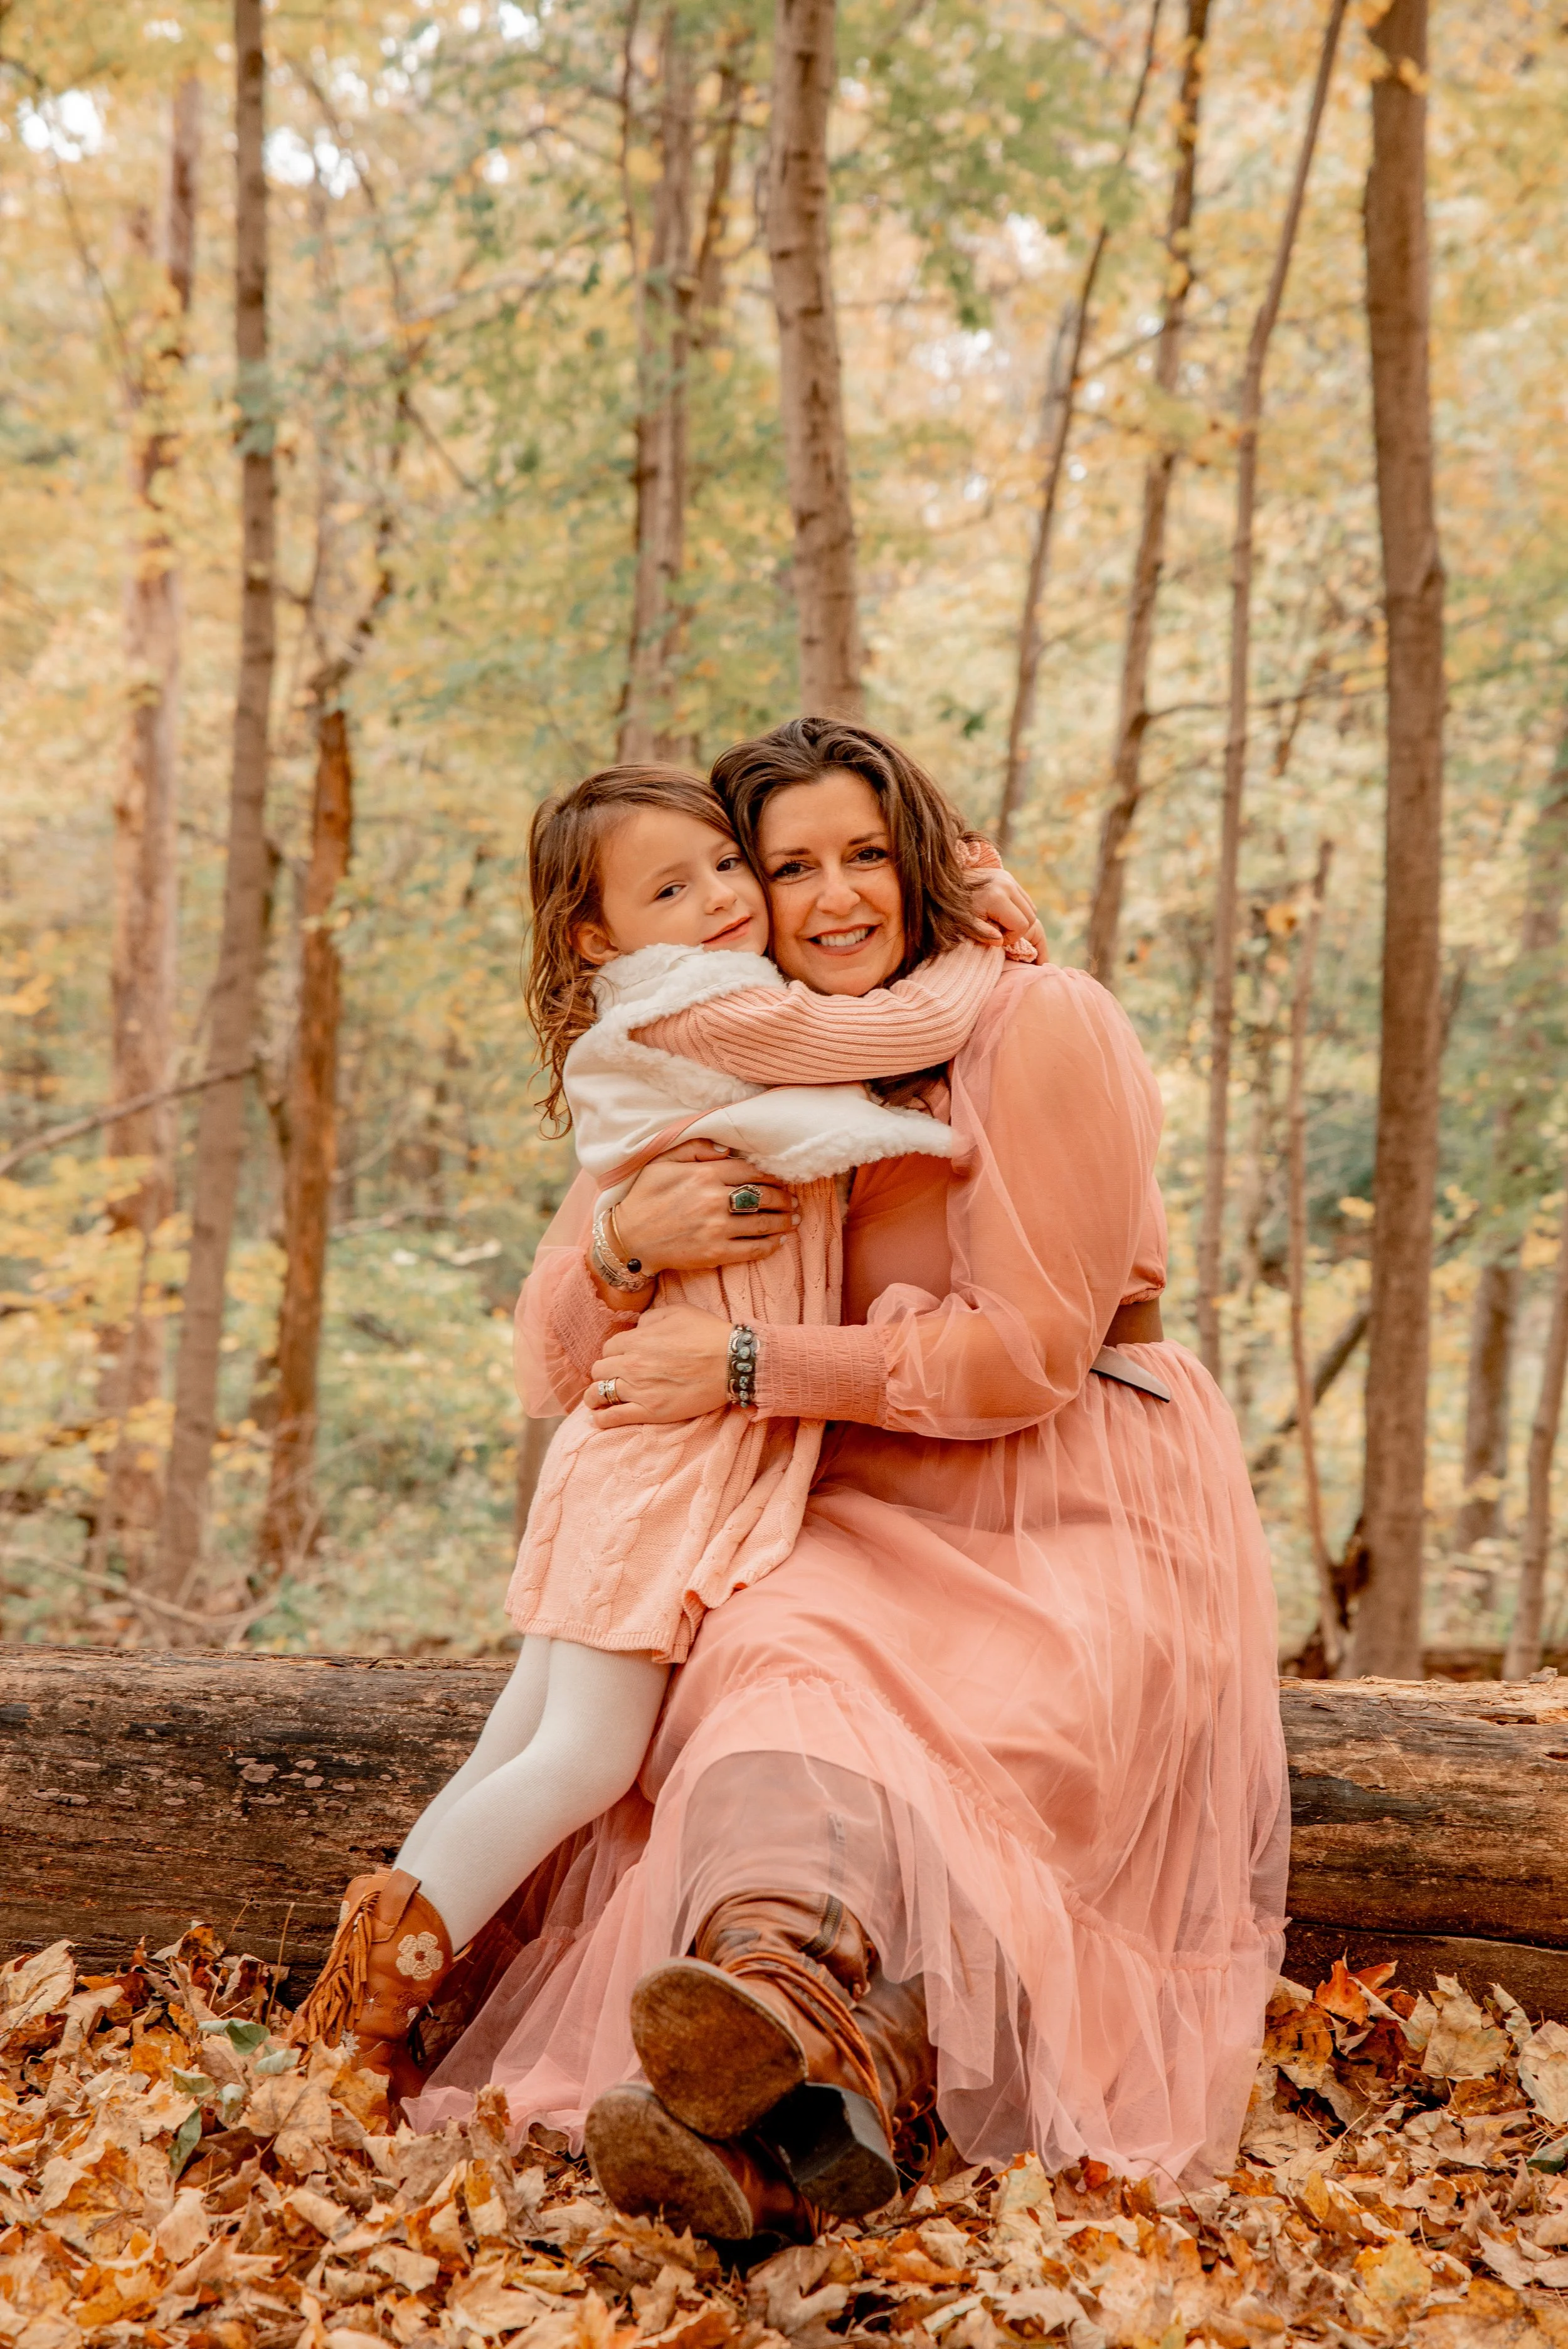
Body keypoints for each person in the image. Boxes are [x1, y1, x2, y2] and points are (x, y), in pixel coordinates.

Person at [410, 717, 1289, 2238]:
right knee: (763, 1664)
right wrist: (632, 1248)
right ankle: (773, 2053)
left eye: (866, 855)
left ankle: (785, 2093)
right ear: (735, 896)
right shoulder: (718, 1045)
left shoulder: (1034, 1021)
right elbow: (553, 1364)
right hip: (838, 1496)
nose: (830, 898)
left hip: (1060, 1494)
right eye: (788, 865)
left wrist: (751, 1371)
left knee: (946, 1723)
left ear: (921, 862)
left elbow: (1024, 1353)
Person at [289, 760, 1034, 2102]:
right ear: (596, 938)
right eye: (670, 887)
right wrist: (986, 944)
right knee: (583, 1756)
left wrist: (964, 892)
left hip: (665, 1451)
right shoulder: (699, 1006)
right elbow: (861, 1042)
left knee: (519, 1743)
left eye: (723, 870)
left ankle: (358, 2007)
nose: (722, 901)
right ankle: (357, 2031)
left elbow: (851, 1011)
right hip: (658, 1453)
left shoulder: (727, 994)